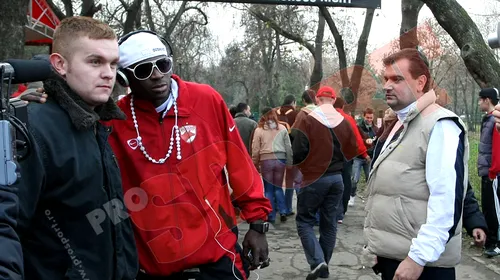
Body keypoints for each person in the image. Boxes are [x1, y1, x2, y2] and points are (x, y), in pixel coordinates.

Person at [106, 30, 272, 279]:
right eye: (143, 70)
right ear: (124, 78)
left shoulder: (206, 100)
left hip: (216, 256)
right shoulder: (113, 119)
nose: (157, 75)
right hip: (150, 266)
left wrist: (258, 224)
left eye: (162, 64)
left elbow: (240, 165)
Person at [15, 16, 138, 279]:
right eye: (95, 61)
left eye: (113, 63)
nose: (108, 73)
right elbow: (9, 228)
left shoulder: (99, 124)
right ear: (60, 64)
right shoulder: (31, 130)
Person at [365, 48, 468, 280]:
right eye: (386, 79)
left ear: (421, 82)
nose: (387, 85)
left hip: (422, 266)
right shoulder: (399, 123)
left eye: (397, 79)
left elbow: (446, 200)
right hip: (396, 258)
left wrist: (418, 257)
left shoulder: (440, 125)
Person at [292, 86, 358, 280]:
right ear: (334, 99)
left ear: (318, 100)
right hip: (336, 179)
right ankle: (323, 264)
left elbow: (298, 149)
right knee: (329, 224)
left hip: (313, 177)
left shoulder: (307, 119)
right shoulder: (344, 122)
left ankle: (317, 262)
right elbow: (352, 149)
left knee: (304, 220)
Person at [251, 107, 292, 223]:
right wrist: (289, 162)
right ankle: (283, 211)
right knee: (278, 187)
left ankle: (271, 215)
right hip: (281, 160)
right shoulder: (282, 128)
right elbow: (288, 147)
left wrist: (255, 163)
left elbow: (255, 149)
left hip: (266, 160)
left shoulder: (259, 130)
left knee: (268, 189)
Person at [333, 97, 368, 223]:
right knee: (345, 180)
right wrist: (364, 154)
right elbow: (357, 139)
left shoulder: (326, 118)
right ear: (342, 107)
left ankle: (331, 210)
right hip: (346, 155)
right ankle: (342, 211)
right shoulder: (348, 119)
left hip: (330, 155)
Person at [477, 88, 500, 257]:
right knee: (487, 207)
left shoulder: (495, 121)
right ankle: (489, 238)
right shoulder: (488, 120)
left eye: (480, 100)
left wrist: (493, 171)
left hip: (493, 173)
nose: (479, 103)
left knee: (493, 209)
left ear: (487, 100)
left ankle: (496, 242)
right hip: (486, 171)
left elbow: (496, 149)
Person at [349, 107, 378, 206]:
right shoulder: (358, 127)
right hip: (358, 157)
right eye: (367, 117)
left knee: (369, 179)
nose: (369, 120)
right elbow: (357, 142)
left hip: (369, 157)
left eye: (371, 118)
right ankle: (351, 196)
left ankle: (368, 199)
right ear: (363, 116)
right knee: (354, 179)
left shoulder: (375, 129)